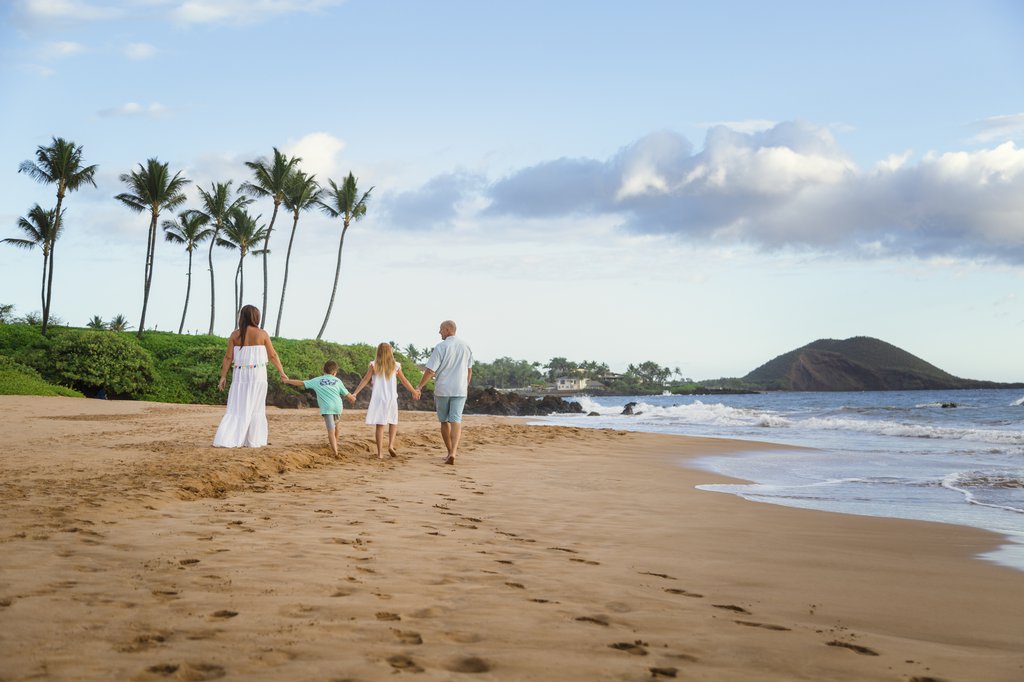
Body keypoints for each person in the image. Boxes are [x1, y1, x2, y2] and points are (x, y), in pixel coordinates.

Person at [213, 305, 287, 448]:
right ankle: (254, 440)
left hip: (240, 375)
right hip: (258, 375)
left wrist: (223, 377)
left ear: (242, 317)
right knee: (256, 407)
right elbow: (273, 355)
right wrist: (281, 372)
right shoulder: (262, 334)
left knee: (237, 406)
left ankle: (230, 438)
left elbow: (228, 358)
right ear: (256, 317)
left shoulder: (235, 335)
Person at [415, 320, 473, 464]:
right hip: (460, 390)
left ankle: (449, 452)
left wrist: (419, 386)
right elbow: (469, 370)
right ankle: (453, 452)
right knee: (456, 420)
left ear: (447, 330)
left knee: (444, 421)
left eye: (441, 329)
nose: (439, 332)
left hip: (443, 389)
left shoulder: (441, 347)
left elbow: (430, 370)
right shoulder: (466, 346)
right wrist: (465, 385)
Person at [351, 343, 421, 459]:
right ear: (390, 352)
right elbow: (404, 381)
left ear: (378, 352)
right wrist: (414, 391)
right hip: (391, 398)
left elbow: (365, 380)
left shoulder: (374, 365)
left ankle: (380, 453)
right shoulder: (395, 365)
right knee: (393, 422)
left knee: (380, 425)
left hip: (379, 398)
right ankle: (391, 446)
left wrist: (355, 393)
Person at [282, 360, 356, 457]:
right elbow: (348, 396)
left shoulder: (317, 380)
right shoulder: (337, 381)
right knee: (337, 427)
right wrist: (353, 398)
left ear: (323, 370)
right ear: (335, 372)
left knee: (331, 431)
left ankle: (335, 452)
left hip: (327, 407)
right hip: (338, 406)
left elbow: (301, 383)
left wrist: (287, 381)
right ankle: (335, 444)